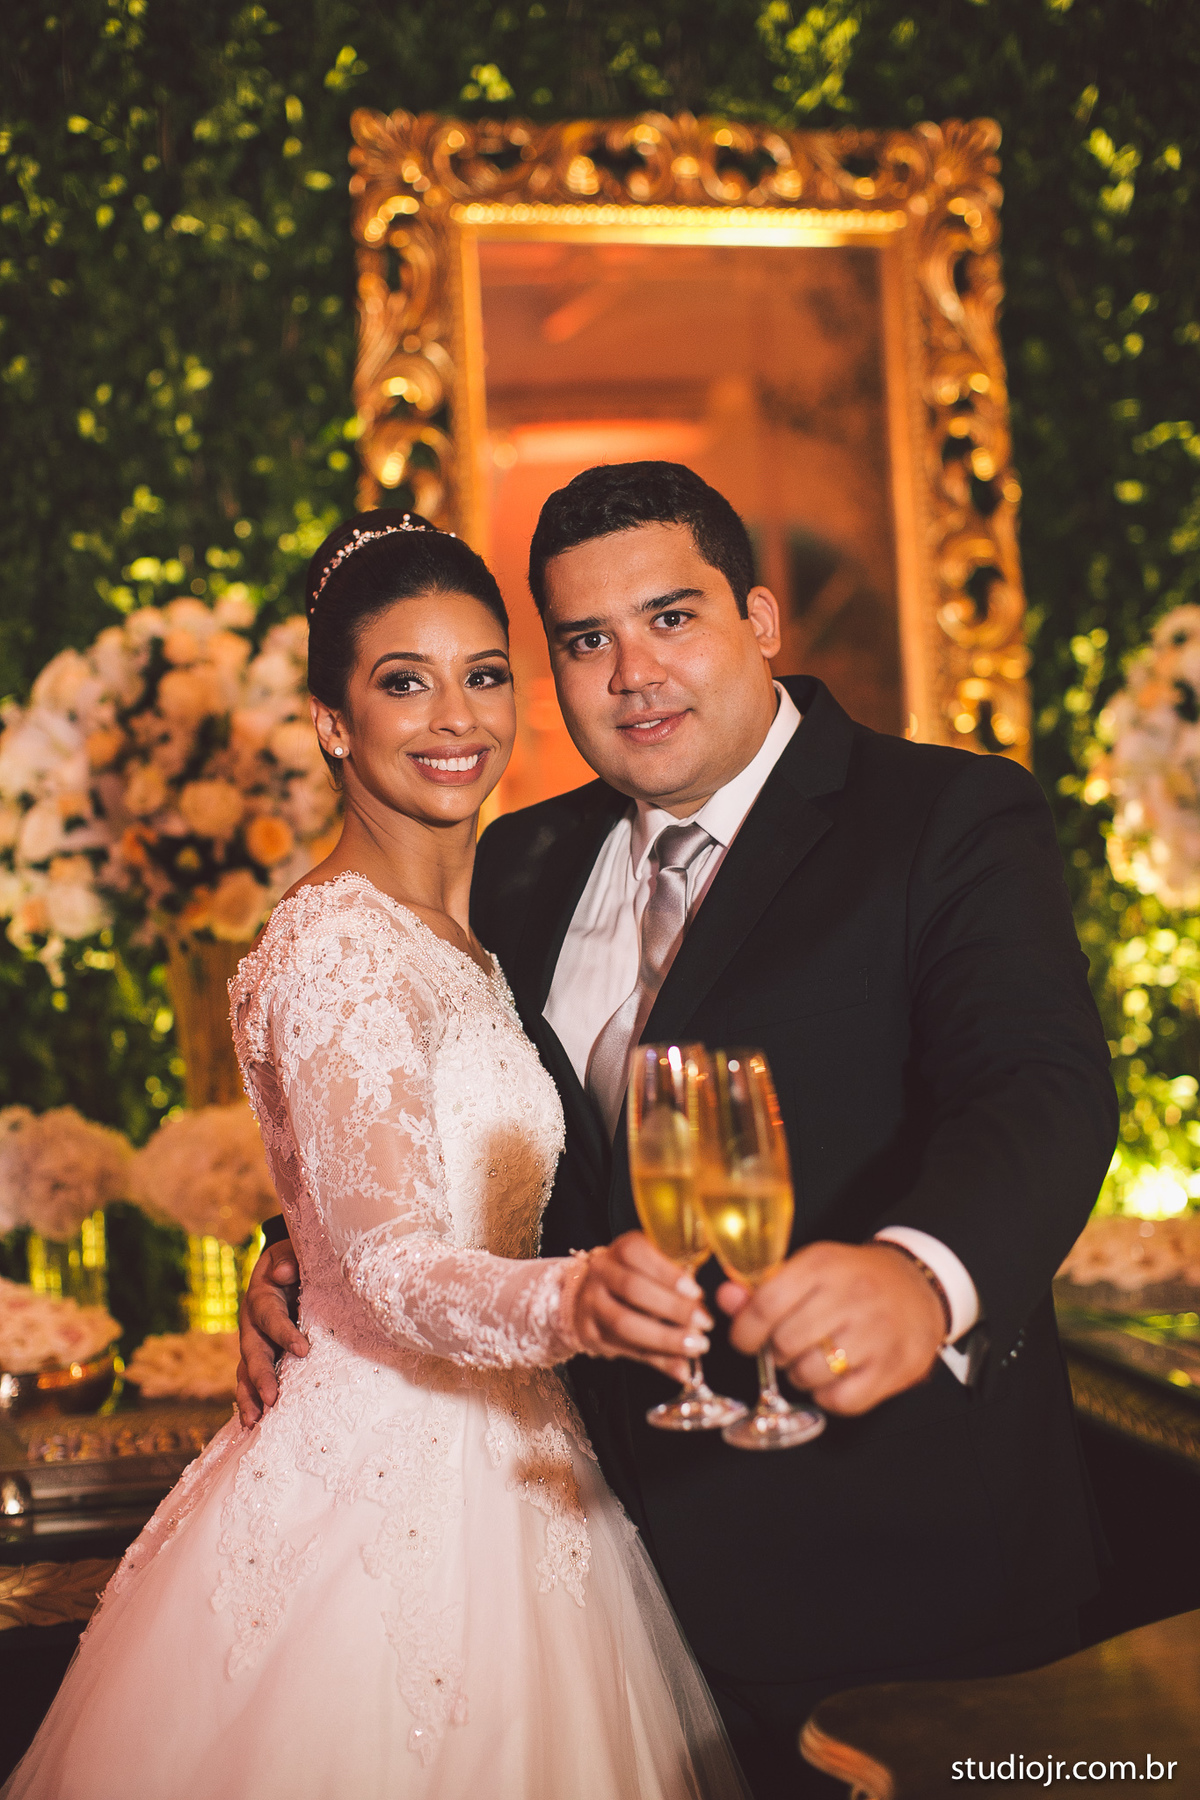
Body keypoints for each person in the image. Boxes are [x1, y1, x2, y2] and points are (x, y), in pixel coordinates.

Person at [240, 464, 1118, 1800]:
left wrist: (924, 1274)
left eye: (671, 617)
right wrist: (306, 1247)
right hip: (610, 1587)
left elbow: (1042, 1088)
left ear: (759, 618)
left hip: (911, 1584)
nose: (633, 673)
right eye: (585, 640)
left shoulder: (945, 816)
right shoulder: (518, 861)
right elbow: (444, 1110)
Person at [4, 513, 752, 1800]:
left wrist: (301, 1238)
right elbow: (396, 1263)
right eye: (405, 682)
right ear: (331, 722)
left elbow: (391, 1173)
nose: (455, 717)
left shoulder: (482, 920)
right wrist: (577, 1297)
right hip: (385, 1488)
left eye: (484, 673)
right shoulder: (336, 946)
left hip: (532, 1463)